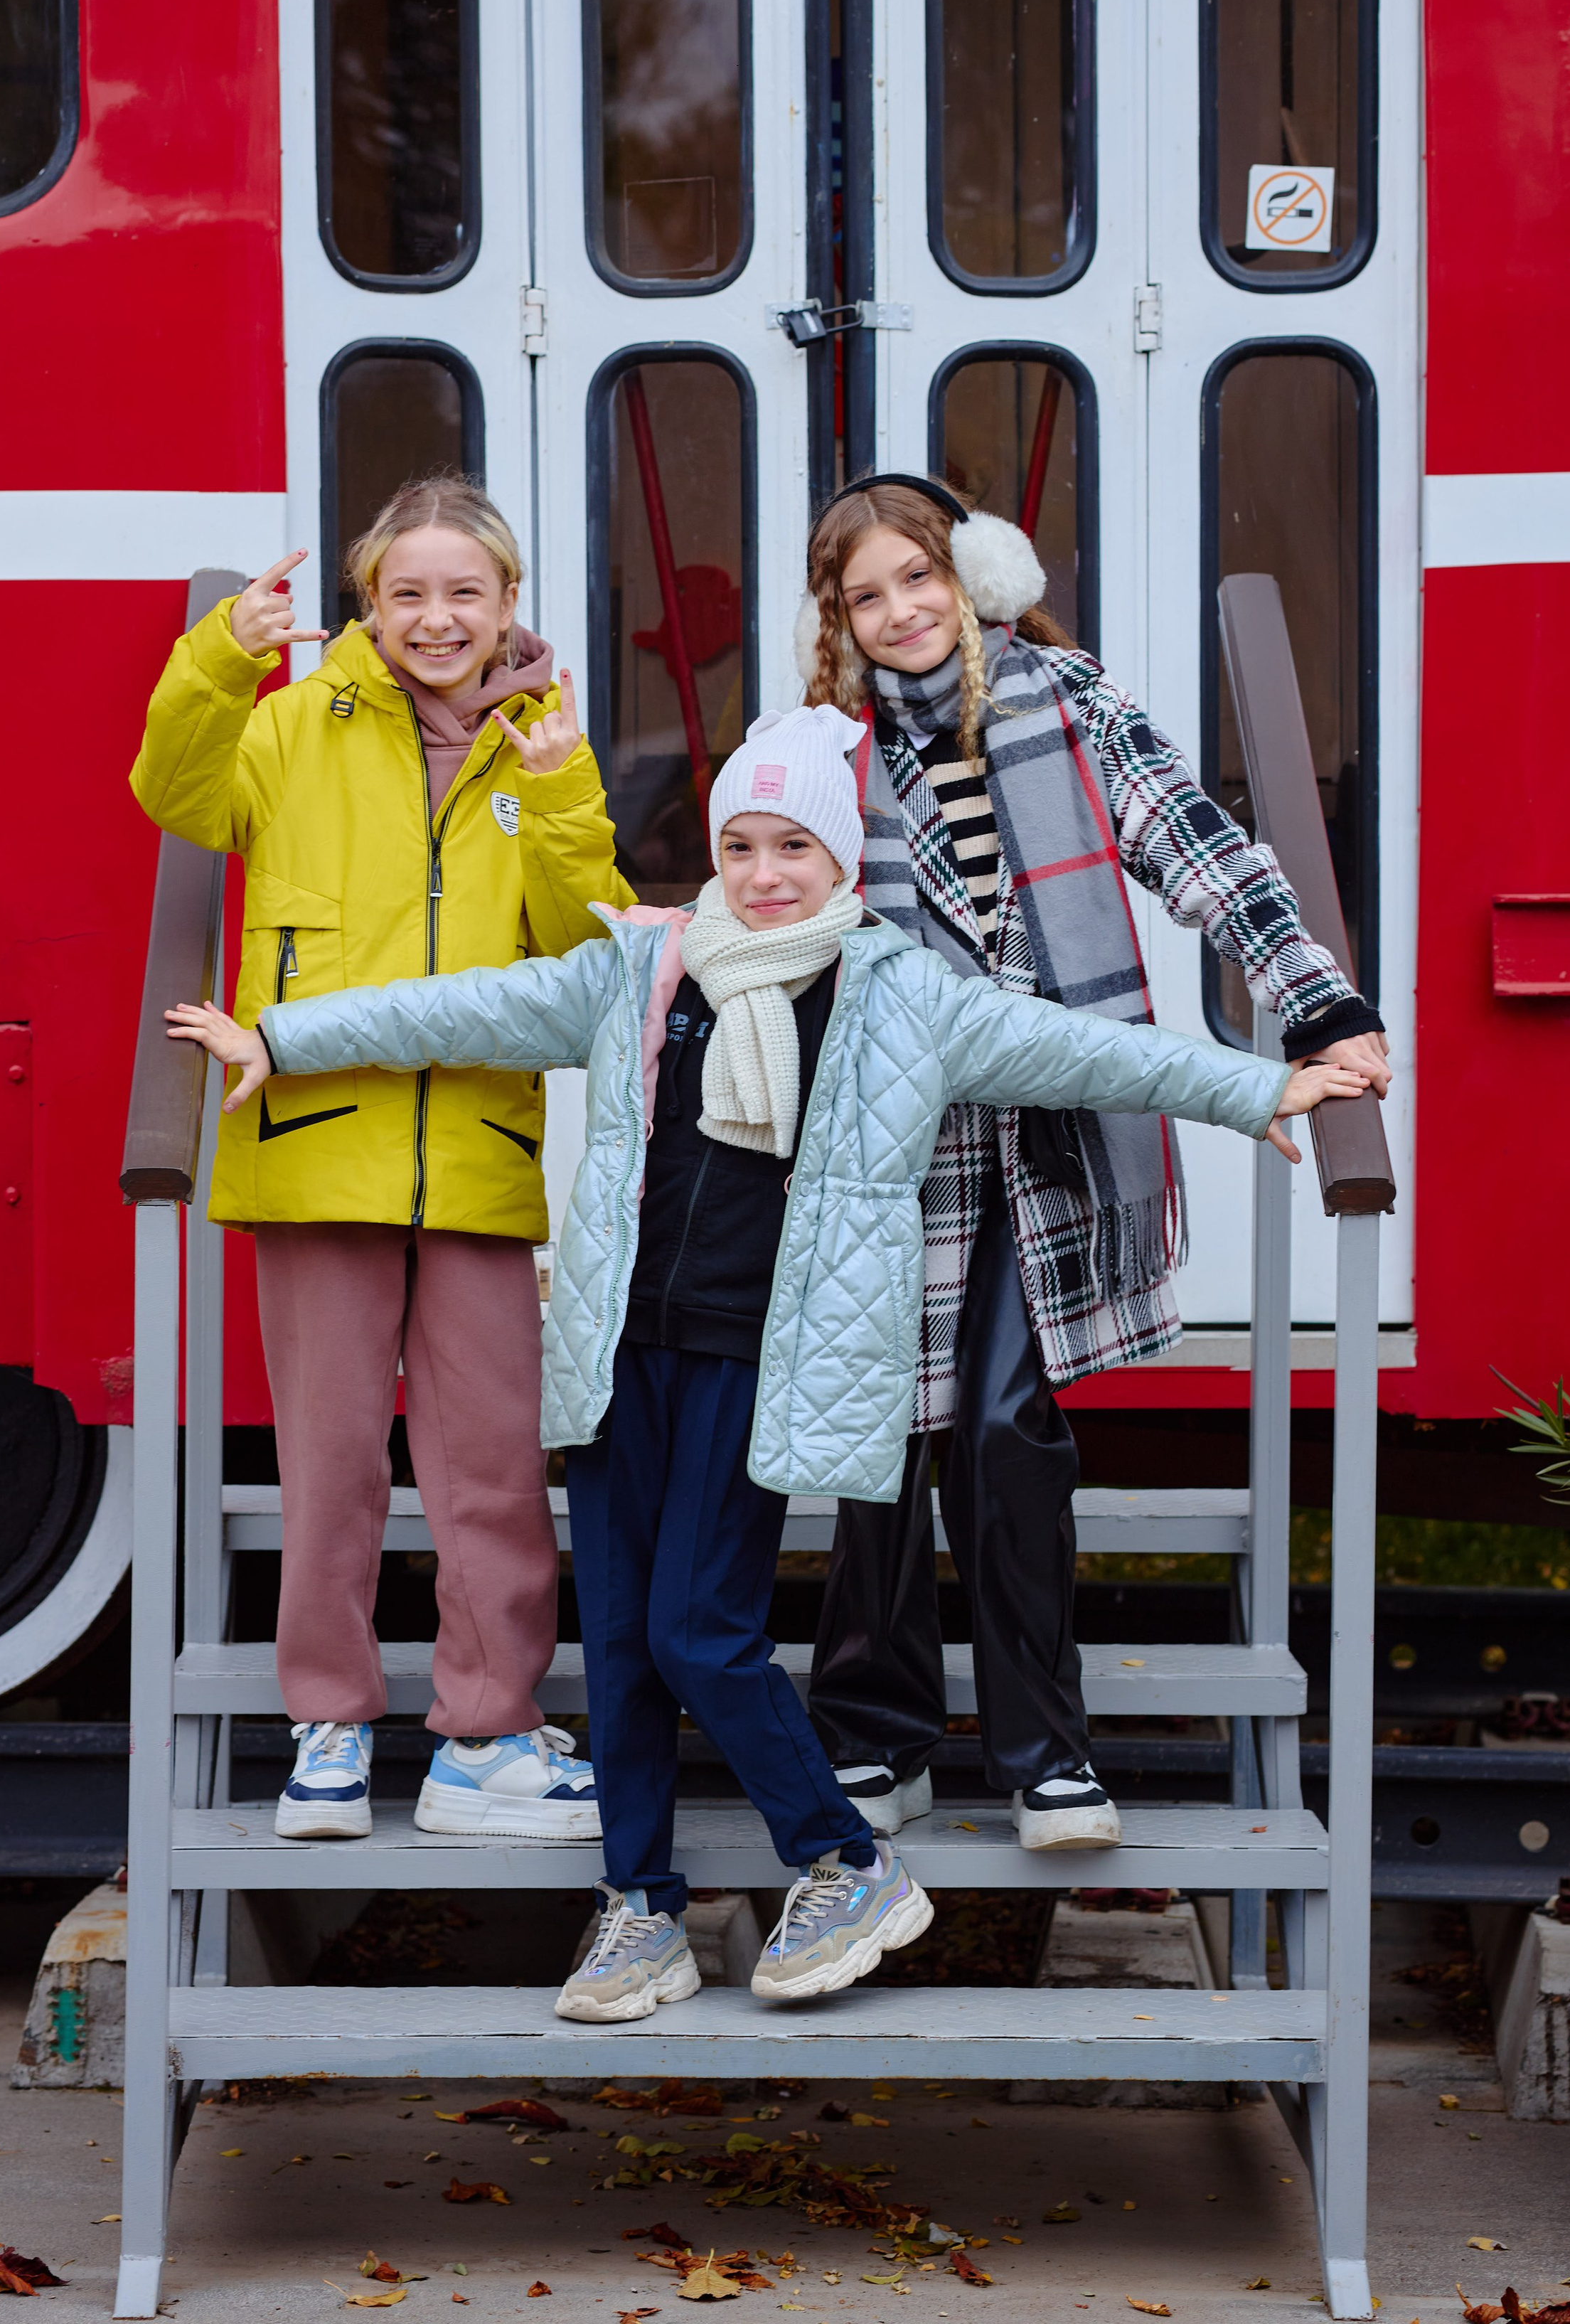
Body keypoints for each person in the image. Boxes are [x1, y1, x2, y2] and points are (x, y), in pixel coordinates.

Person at [165, 705, 1369, 2015]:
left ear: (842, 861)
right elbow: (474, 1006)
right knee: (622, 1639)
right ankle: (639, 1909)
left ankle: (846, 1862)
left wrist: (1263, 1091)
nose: (763, 872)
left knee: (702, 1629)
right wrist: (280, 1040)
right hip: (625, 1356)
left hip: (763, 1364)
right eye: (740, 845)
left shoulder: (902, 995)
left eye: (793, 845)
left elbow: (1084, 1052)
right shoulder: (648, 967)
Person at [795, 472, 1392, 1849]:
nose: (896, 612)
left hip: (1052, 1124)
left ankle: (1043, 1751)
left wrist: (1316, 1002)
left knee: (1008, 1428)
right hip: (887, 1141)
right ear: (833, 620)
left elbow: (1205, 860)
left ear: (977, 575)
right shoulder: (816, 750)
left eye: (916, 578)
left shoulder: (1071, 704)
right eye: (862, 594)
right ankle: (873, 1733)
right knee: (879, 1435)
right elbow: (759, 906)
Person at [130, 474, 631, 1843]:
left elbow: (588, 951)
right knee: (333, 1460)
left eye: (464, 592)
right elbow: (173, 790)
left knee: (489, 1462)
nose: (436, 617)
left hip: (474, 1155)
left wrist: (563, 791)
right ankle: (329, 1733)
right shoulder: (289, 726)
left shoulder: (541, 753)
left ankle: (485, 1740)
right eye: (406, 592)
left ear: (508, 606)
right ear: (368, 603)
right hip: (310, 1153)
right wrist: (220, 657)